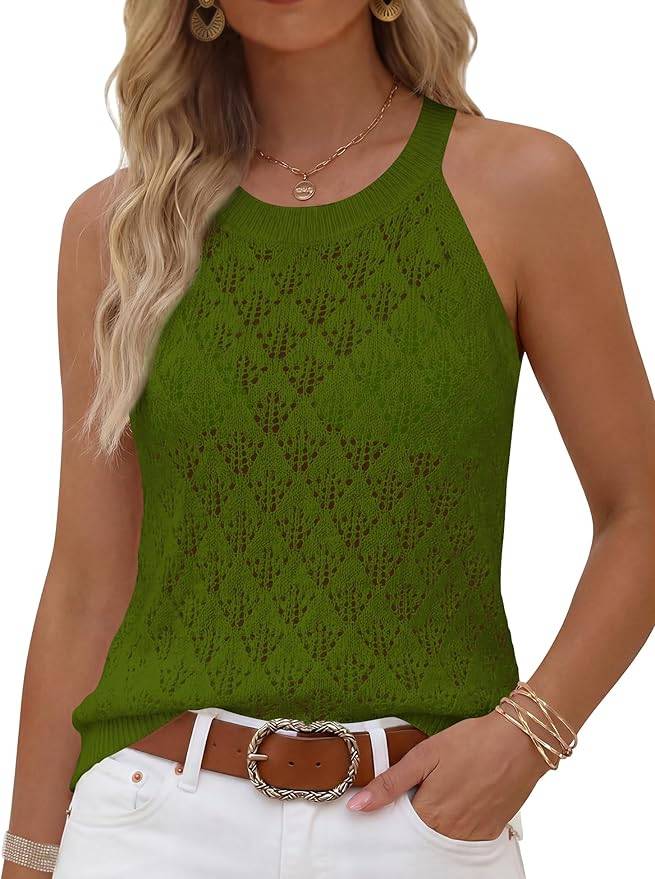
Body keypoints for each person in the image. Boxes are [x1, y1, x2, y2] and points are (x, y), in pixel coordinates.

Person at [3, 1, 654, 877]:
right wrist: (28, 858)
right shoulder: (119, 226)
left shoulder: (519, 185)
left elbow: (639, 509)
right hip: (149, 822)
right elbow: (87, 584)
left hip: (420, 825)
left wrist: (529, 735)